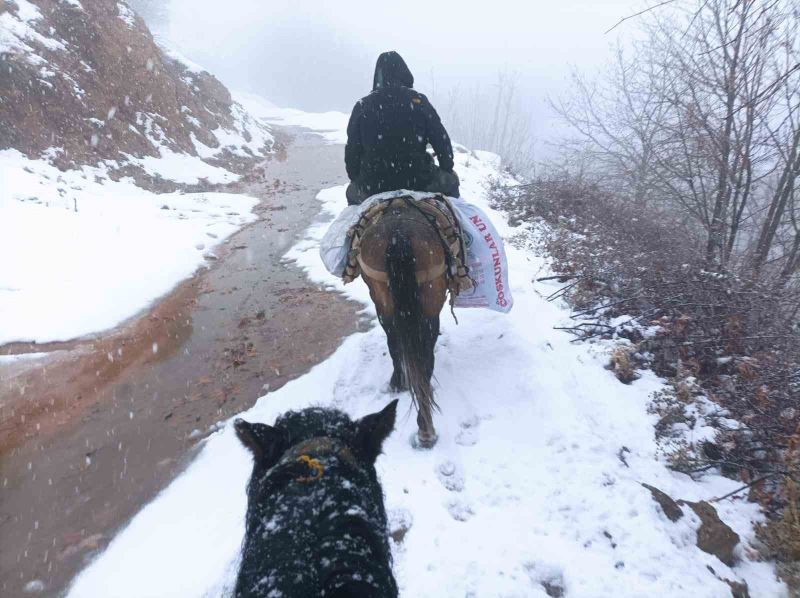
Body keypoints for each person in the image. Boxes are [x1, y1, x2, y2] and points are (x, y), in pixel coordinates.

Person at [344, 51, 460, 205]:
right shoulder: (418, 101)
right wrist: (447, 168)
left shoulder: (363, 105)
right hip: (420, 180)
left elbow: (352, 150)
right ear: (404, 72)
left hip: (372, 184)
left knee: (351, 195)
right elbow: (441, 140)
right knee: (452, 182)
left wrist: (357, 178)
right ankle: (460, 222)